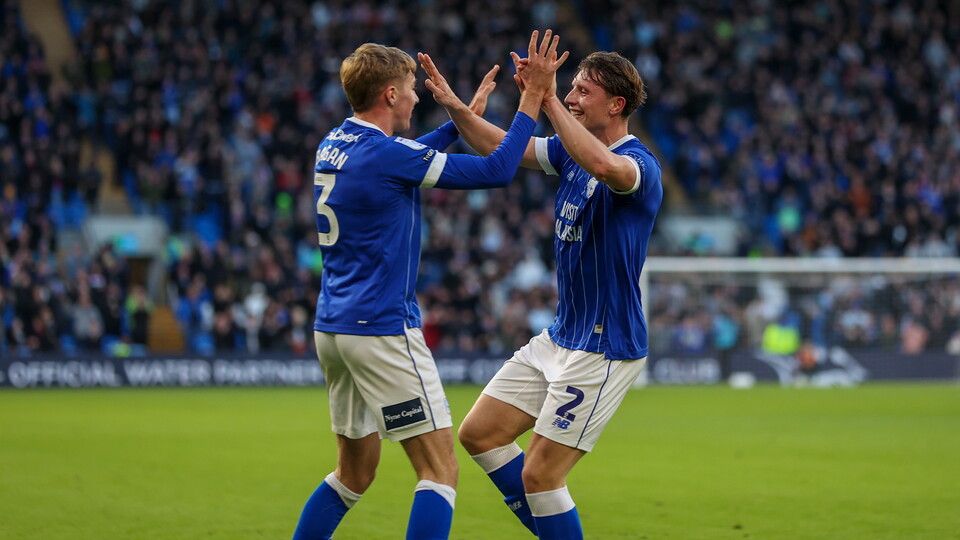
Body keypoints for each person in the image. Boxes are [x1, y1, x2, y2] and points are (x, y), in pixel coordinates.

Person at [292, 35, 567, 540]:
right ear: (390, 95)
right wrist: (531, 99)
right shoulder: (386, 155)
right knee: (439, 471)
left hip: (333, 329)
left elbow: (400, 159)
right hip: (381, 329)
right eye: (410, 88)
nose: (416, 96)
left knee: (353, 475)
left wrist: (460, 121)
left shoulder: (334, 143)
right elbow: (498, 169)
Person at [420, 30, 662, 539]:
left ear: (616, 105)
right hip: (561, 335)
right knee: (480, 433)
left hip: (604, 345)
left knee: (541, 475)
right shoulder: (568, 151)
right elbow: (497, 146)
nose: (571, 97)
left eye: (582, 91)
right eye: (569, 88)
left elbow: (604, 165)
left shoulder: (640, 166)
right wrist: (454, 108)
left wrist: (545, 97)